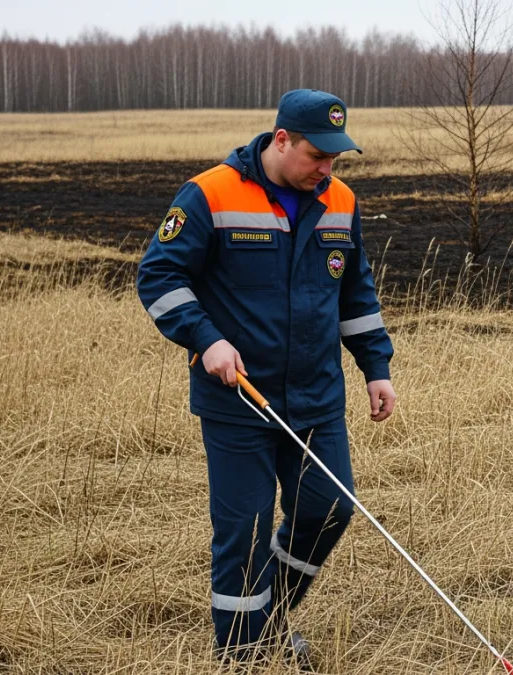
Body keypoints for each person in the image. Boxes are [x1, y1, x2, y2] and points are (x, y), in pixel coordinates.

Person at [136, 89, 396, 669]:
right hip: (239, 401)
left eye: (335, 157)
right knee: (246, 534)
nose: (326, 168)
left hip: (317, 397)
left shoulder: (341, 202)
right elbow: (158, 277)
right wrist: (206, 339)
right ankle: (242, 654)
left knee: (330, 508)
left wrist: (375, 367)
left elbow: (355, 293)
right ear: (281, 139)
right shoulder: (210, 194)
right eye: (316, 155)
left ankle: (270, 622)